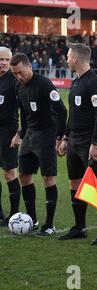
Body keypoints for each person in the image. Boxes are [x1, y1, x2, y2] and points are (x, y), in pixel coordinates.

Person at [57, 43, 97, 245]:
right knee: (75, 182)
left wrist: (96, 142)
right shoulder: (75, 82)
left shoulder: (93, 83)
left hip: (90, 141)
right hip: (74, 141)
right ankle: (79, 227)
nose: (66, 59)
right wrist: (65, 138)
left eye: (68, 57)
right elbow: (72, 114)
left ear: (75, 59)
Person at [10, 53, 67, 237]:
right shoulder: (19, 87)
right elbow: (24, 116)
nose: (18, 76)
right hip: (29, 136)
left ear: (29, 67)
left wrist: (59, 137)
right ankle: (32, 220)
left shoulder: (44, 84)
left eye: (20, 72)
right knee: (24, 176)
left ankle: (49, 225)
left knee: (47, 178)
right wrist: (20, 134)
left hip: (46, 135)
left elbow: (61, 110)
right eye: (14, 74)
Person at [0, 47, 21, 225]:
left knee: (10, 173)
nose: (4, 63)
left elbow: (25, 106)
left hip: (8, 132)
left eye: (7, 60)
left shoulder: (14, 81)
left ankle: (14, 214)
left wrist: (19, 133)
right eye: (1, 59)